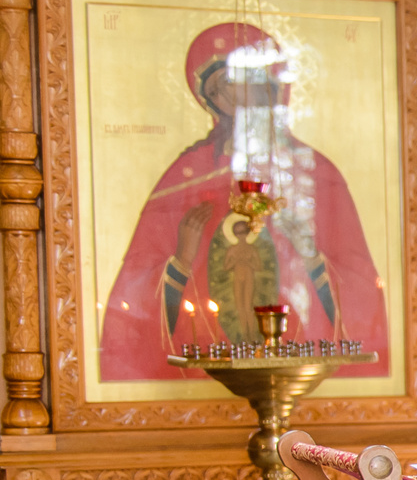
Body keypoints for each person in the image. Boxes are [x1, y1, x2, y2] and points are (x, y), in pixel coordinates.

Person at [102, 21, 388, 380]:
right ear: (211, 101)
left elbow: (363, 290)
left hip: (298, 363)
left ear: (270, 89)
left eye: (243, 84)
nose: (234, 99)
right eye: (221, 89)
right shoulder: (185, 176)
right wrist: (180, 261)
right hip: (206, 358)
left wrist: (310, 256)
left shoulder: (313, 173)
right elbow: (127, 307)